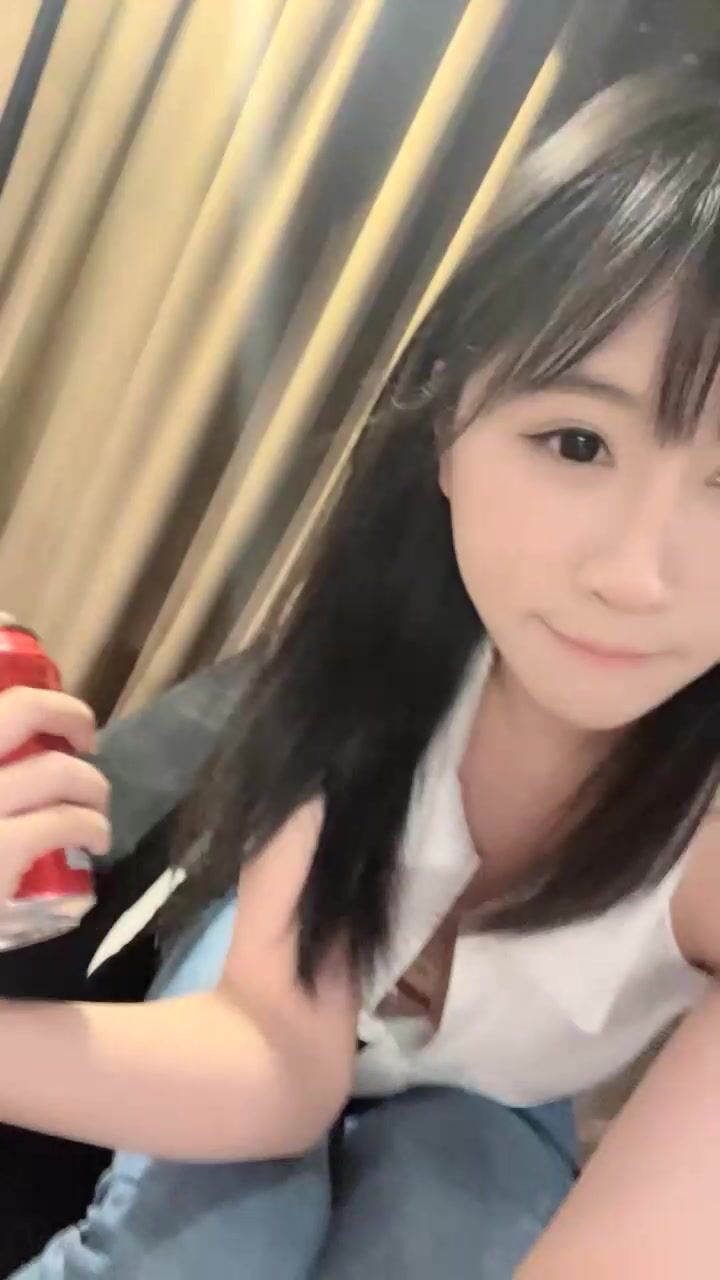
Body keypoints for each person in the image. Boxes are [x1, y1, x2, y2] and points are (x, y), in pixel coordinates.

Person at [3, 59, 720, 1278]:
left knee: (443, 1221)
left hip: (498, 1095)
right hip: (270, 983)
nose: (636, 575)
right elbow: (269, 1057)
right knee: (204, 1251)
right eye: (575, 440)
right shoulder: (385, 659)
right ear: (448, 427)